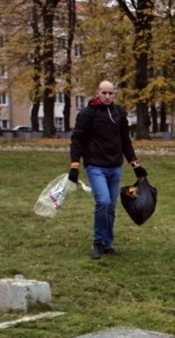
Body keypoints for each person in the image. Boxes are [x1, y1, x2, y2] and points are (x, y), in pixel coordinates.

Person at [69, 80, 148, 259]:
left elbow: (125, 140)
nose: (107, 96)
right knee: (103, 202)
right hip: (95, 165)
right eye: (104, 93)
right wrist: (75, 165)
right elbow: (77, 139)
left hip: (114, 167)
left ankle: (107, 243)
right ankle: (97, 242)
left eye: (110, 93)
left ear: (114, 94)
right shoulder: (87, 114)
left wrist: (135, 164)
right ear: (97, 92)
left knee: (111, 206)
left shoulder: (118, 113)